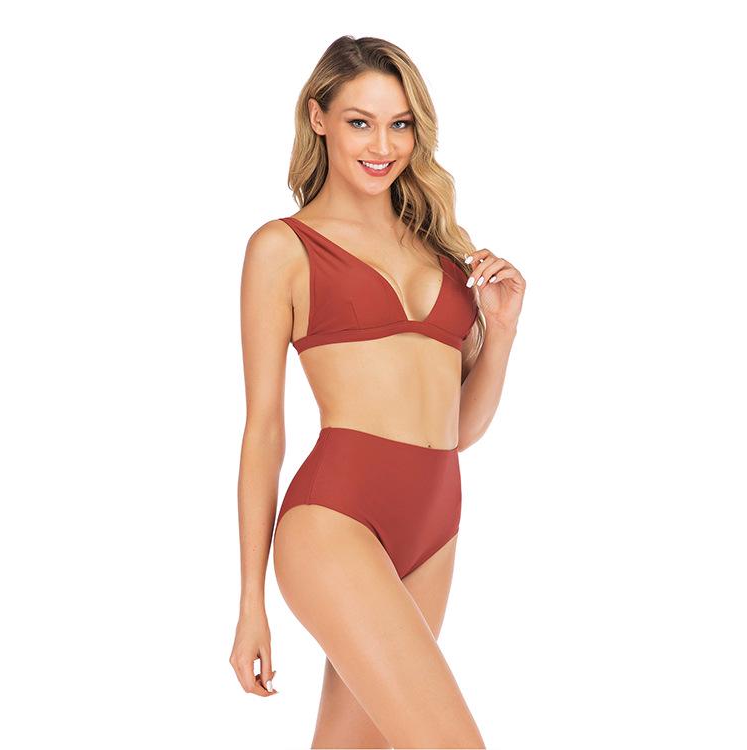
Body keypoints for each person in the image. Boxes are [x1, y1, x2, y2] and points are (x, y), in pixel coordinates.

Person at [230, 35, 525, 749]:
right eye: (360, 122)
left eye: (400, 124)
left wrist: (502, 332)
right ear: (319, 117)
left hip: (435, 521)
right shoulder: (283, 247)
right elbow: (264, 429)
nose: (382, 146)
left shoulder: (441, 251)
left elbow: (458, 430)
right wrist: (250, 602)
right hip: (334, 518)